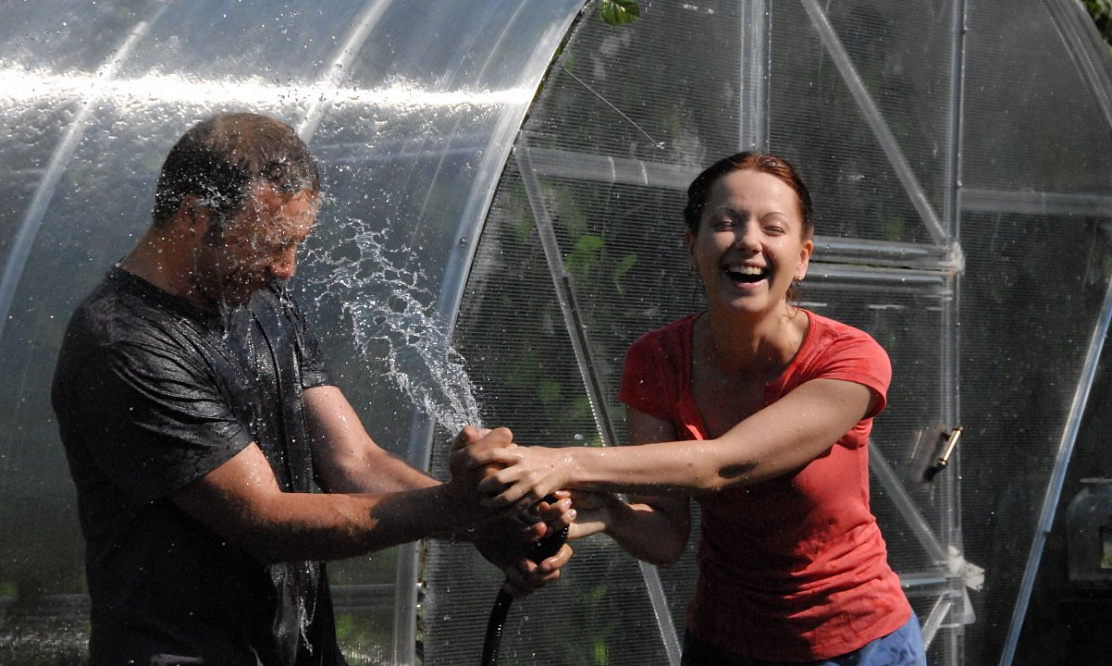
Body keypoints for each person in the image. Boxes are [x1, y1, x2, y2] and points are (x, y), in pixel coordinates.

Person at [51, 112, 572, 666]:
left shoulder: (260, 302)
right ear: (195, 216)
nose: (287, 269)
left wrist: (485, 520)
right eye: (272, 244)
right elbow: (265, 519)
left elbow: (355, 458)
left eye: (296, 243)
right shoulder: (125, 343)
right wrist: (452, 507)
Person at [465, 153, 926, 665]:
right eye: (725, 223)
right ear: (693, 247)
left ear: (802, 257)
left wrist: (563, 463)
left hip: (857, 643)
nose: (749, 240)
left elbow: (722, 464)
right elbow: (666, 535)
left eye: (773, 228)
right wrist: (597, 516)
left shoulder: (849, 359)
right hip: (723, 643)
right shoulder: (657, 360)